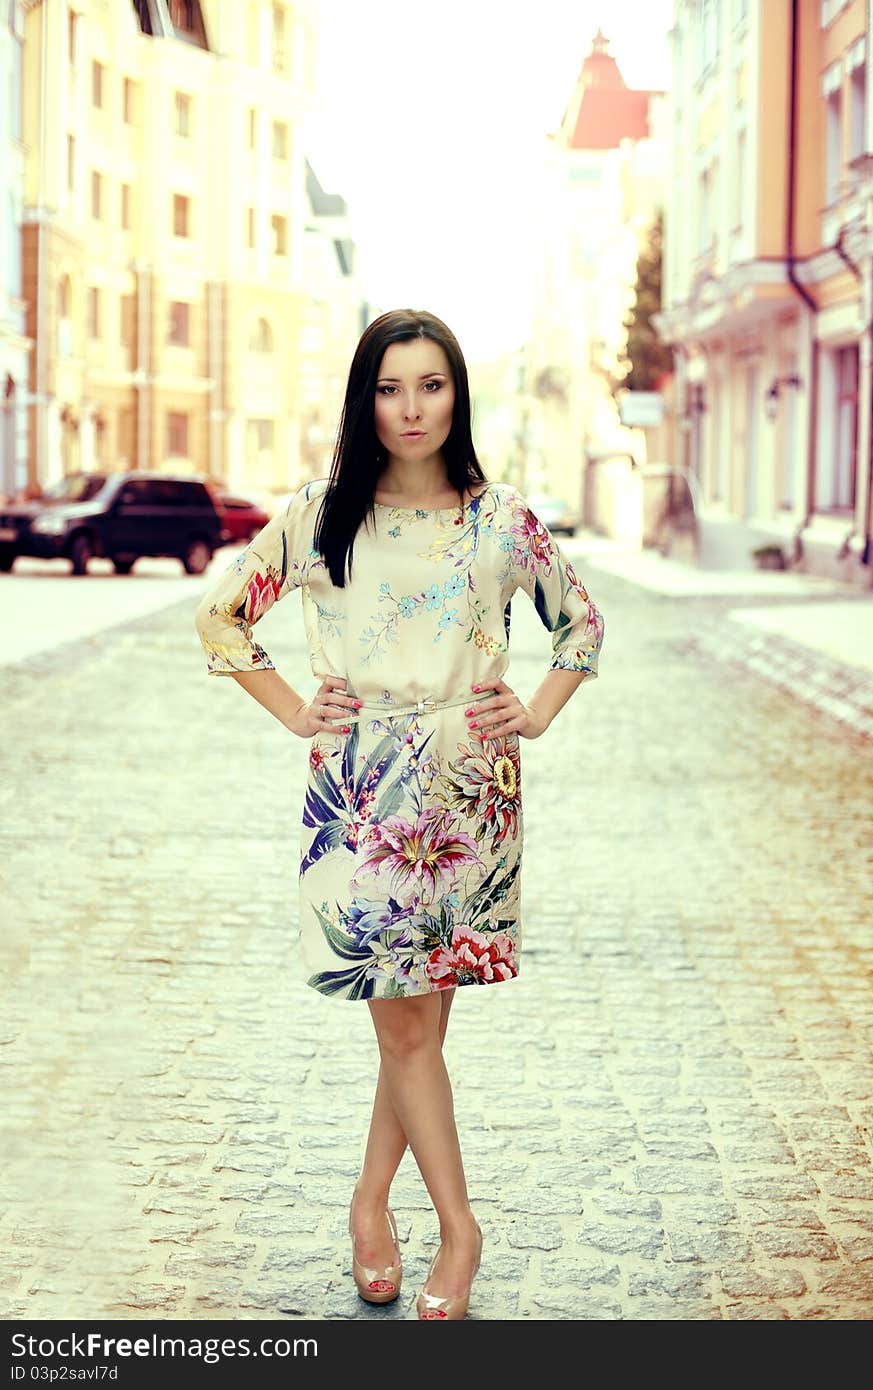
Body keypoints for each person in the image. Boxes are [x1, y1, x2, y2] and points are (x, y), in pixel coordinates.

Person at [194, 308, 605, 1320]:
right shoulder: (323, 512)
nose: (410, 406)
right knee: (408, 1030)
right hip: (366, 795)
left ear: (456, 394)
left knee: (412, 1030)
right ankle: (460, 1227)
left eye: (429, 384)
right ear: (363, 397)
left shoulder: (501, 519)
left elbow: (581, 624)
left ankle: (370, 1204)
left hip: (472, 792)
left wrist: (536, 714)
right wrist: (297, 707)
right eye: (388, 386)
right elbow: (221, 614)